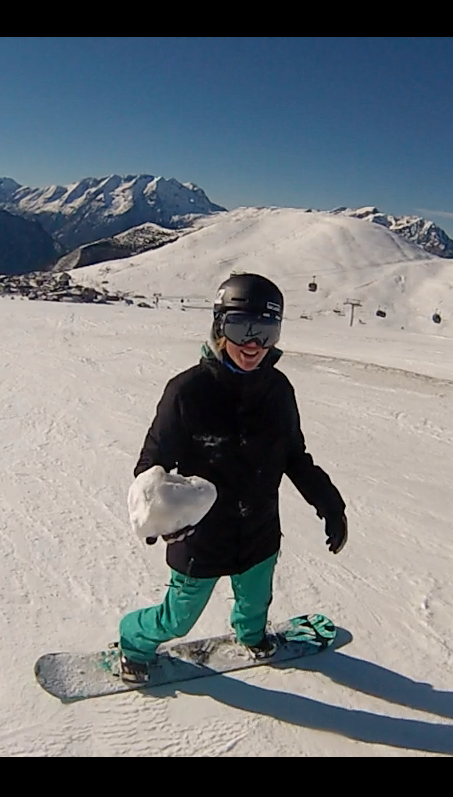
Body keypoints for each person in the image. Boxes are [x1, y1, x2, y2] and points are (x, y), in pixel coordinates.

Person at [116, 273, 347, 683]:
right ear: (220, 326)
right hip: (200, 538)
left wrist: (330, 503)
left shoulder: (277, 390)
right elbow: (151, 462)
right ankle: (133, 641)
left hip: (258, 531)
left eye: (266, 331)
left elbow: (294, 455)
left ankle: (251, 635)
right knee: (176, 619)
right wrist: (155, 511)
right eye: (242, 328)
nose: (254, 345)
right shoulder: (186, 392)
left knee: (256, 603)